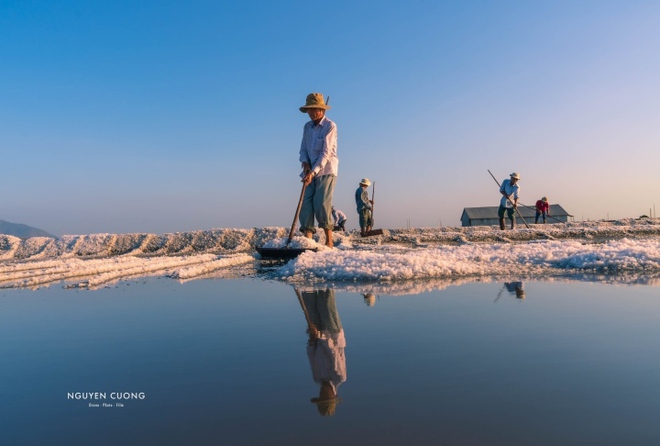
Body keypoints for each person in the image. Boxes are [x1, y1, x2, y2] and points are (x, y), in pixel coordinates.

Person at [296, 287, 347, 417]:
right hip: (333, 334)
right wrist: (321, 336)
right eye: (325, 396)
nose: (322, 393)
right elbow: (334, 352)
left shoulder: (317, 378)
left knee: (310, 306)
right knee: (326, 304)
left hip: (318, 336)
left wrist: (312, 340)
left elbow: (311, 355)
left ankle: (307, 280)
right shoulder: (339, 377)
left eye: (321, 396)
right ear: (333, 395)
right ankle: (326, 272)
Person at [298, 93, 338, 248]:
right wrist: (305, 164)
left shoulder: (330, 126)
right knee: (305, 203)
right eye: (310, 110)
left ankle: (329, 241)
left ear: (322, 110)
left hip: (326, 170)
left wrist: (314, 171)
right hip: (309, 171)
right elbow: (303, 149)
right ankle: (307, 239)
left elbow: (326, 153)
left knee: (321, 203)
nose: (313, 113)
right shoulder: (307, 127)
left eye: (316, 109)